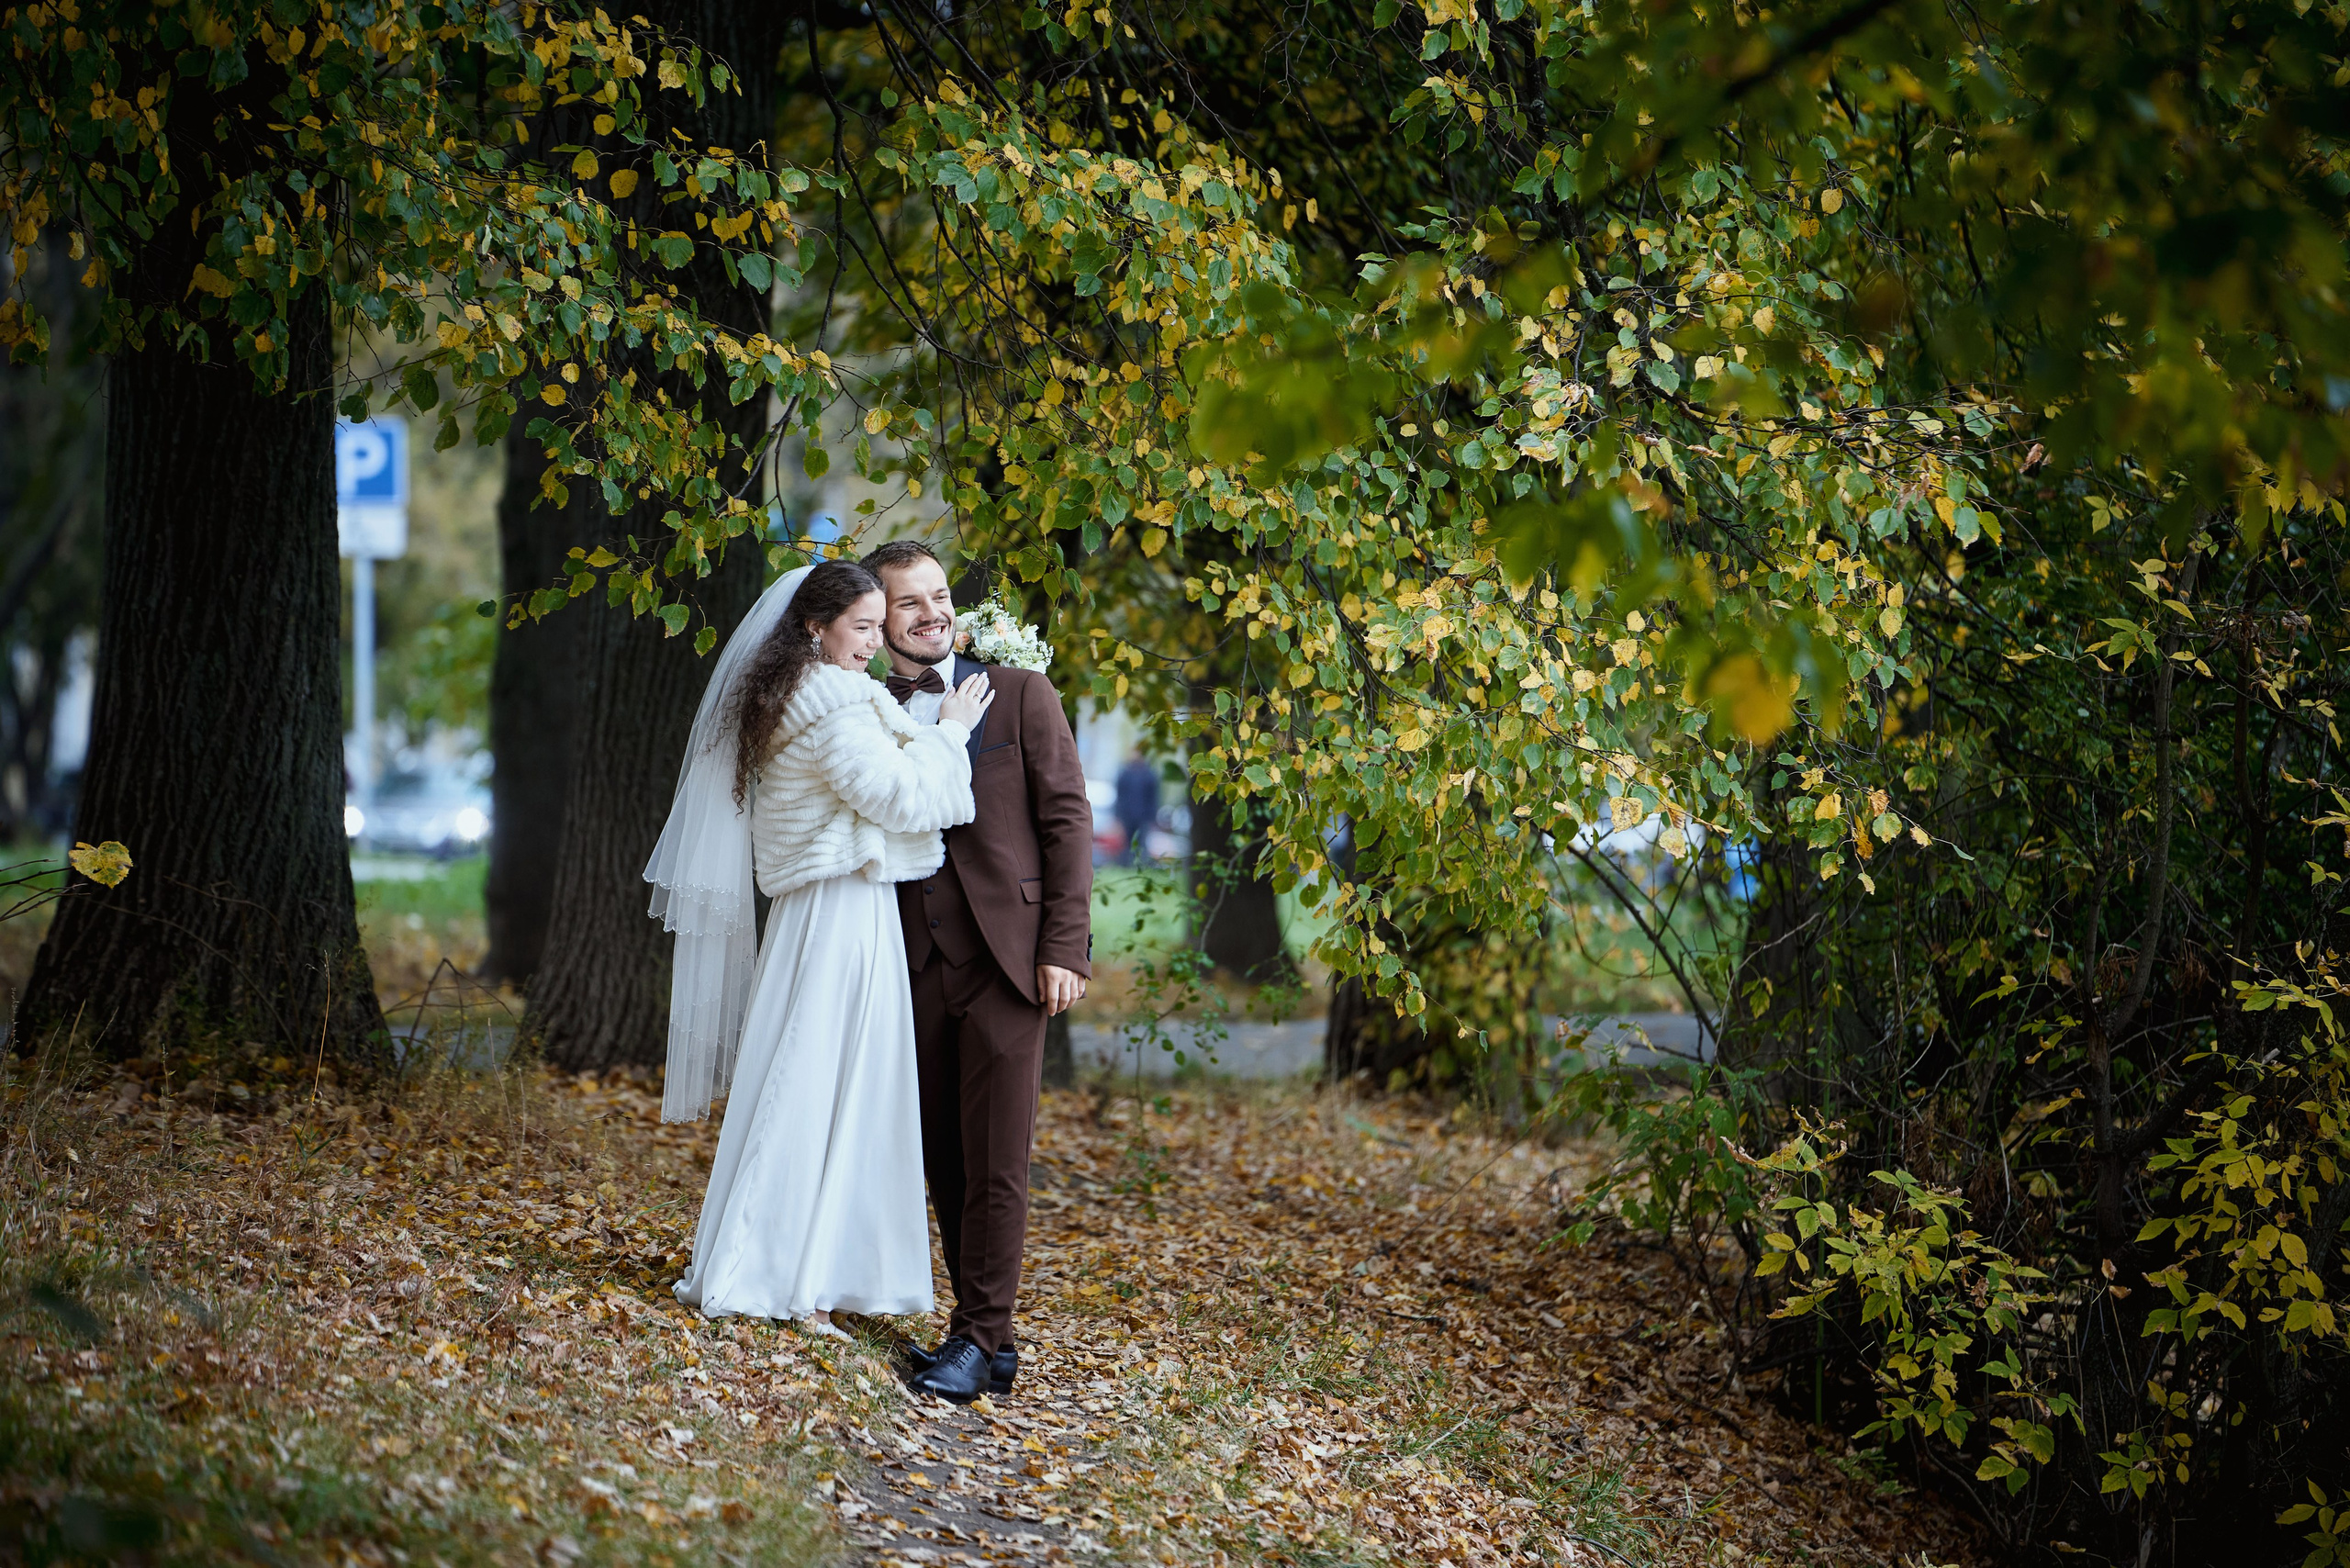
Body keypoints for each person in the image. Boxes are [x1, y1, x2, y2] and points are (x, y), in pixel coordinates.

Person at [645, 558, 996, 1335]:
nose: (875, 642)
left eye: (879, 625)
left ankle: (811, 1269)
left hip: (828, 907)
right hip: (840, 908)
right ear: (816, 626)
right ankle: (787, 1275)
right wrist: (952, 737)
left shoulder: (791, 694)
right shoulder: (831, 703)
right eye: (863, 627)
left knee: (823, 1076)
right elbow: (900, 798)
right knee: (822, 1080)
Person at [862, 540, 1093, 1404]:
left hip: (1010, 963)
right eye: (910, 603)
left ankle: (977, 1336)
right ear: (880, 621)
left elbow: (1068, 821)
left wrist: (1064, 947)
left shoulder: (1022, 694)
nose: (932, 614)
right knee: (943, 1158)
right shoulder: (867, 709)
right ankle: (987, 1340)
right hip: (908, 964)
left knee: (998, 1158)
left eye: (941, 596)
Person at [1113, 746, 1160, 867]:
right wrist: (1118, 816)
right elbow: (1119, 796)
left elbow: (1154, 798)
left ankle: (1139, 865)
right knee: (1127, 843)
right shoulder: (1125, 773)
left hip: (1143, 817)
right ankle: (1127, 866)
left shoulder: (1149, 775)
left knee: (1141, 843)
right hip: (1127, 816)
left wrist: (1152, 817)